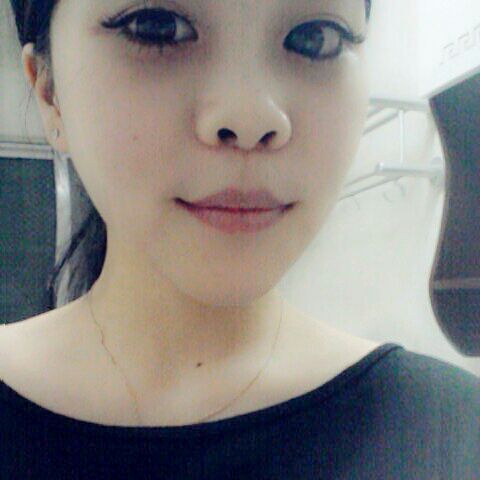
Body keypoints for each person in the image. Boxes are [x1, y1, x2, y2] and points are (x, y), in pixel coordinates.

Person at [1, 0, 478, 478]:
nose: (252, 119)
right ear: (49, 91)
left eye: (316, 38)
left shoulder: (453, 438)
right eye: (156, 27)